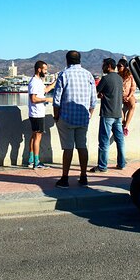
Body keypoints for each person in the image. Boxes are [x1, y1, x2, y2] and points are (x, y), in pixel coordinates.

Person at [52, 50, 96, 188]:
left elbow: (56, 100)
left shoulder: (63, 74)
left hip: (66, 117)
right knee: (82, 146)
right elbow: (93, 100)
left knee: (68, 148)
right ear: (80, 60)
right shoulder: (88, 75)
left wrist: (56, 116)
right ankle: (83, 176)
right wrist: (89, 114)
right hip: (83, 118)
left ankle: (65, 178)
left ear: (67, 60)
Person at [90, 58, 126, 172]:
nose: (102, 67)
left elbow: (96, 91)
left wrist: (101, 94)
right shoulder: (120, 79)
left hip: (107, 114)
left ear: (109, 66)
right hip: (118, 114)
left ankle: (102, 166)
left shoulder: (105, 79)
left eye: (104, 65)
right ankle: (121, 163)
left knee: (104, 141)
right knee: (120, 140)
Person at [27, 60, 56, 169]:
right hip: (37, 114)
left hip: (36, 113)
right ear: (39, 69)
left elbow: (44, 90)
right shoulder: (34, 82)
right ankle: (36, 162)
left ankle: (31, 160)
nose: (46, 71)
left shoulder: (38, 81)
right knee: (37, 137)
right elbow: (33, 99)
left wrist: (54, 84)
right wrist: (47, 99)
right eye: (45, 69)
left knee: (34, 136)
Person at [117, 58, 136, 137]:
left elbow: (133, 87)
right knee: (118, 106)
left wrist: (129, 96)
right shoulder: (117, 76)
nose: (118, 67)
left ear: (124, 67)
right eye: (117, 66)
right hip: (119, 95)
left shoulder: (130, 76)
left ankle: (126, 126)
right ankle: (123, 122)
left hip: (129, 95)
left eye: (120, 66)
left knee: (133, 105)